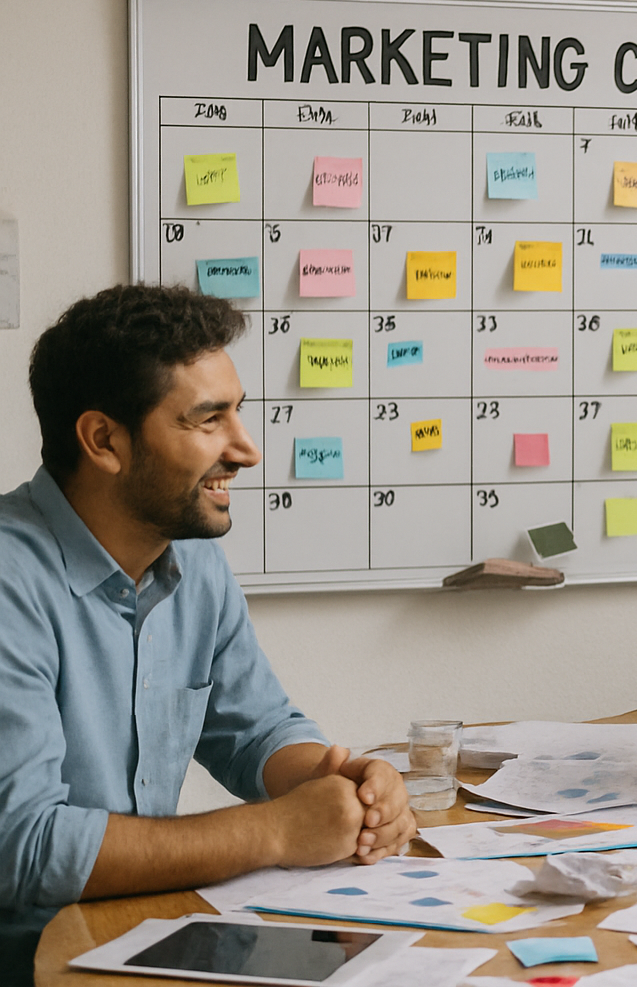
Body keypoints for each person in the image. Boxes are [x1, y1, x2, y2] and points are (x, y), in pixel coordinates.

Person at [0, 285, 415, 981]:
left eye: (238, 412)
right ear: (104, 440)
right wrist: (281, 829)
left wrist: (345, 786)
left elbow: (256, 729)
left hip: (141, 938)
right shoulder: (11, 578)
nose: (245, 449)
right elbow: (24, 848)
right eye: (208, 420)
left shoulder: (191, 560)